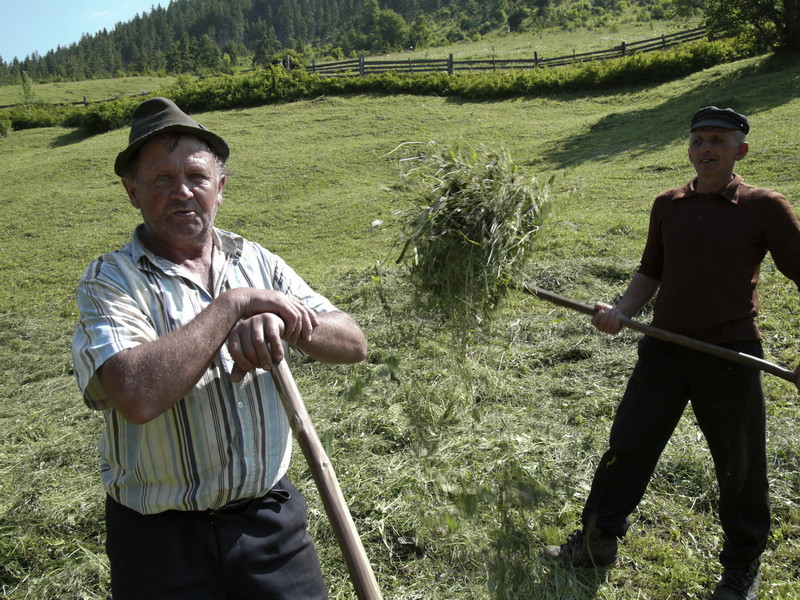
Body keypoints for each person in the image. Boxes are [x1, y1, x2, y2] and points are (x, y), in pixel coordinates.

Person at [72, 97, 367, 600]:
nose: (181, 191)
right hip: (160, 544)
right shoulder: (110, 280)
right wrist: (234, 306)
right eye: (161, 179)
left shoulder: (255, 259)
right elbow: (136, 394)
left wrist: (283, 321)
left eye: (196, 176)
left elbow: (352, 341)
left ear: (221, 187)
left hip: (269, 525)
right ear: (132, 192)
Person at [545, 106, 800, 599]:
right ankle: (597, 542)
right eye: (698, 139)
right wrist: (620, 310)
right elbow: (650, 271)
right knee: (628, 446)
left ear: (740, 150)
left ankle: (742, 566)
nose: (706, 148)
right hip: (663, 348)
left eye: (718, 141)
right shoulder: (667, 204)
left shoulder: (764, 206)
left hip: (730, 354)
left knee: (739, 464)